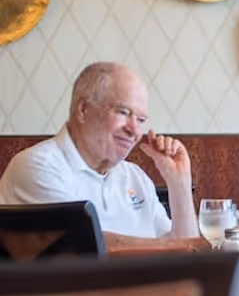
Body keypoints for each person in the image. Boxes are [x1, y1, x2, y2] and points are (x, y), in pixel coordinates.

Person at [0, 62, 204, 250]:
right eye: (123, 112)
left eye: (141, 119)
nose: (134, 130)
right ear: (83, 110)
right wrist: (203, 245)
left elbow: (185, 251)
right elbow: (84, 246)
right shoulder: (38, 166)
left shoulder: (135, 176)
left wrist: (179, 184)